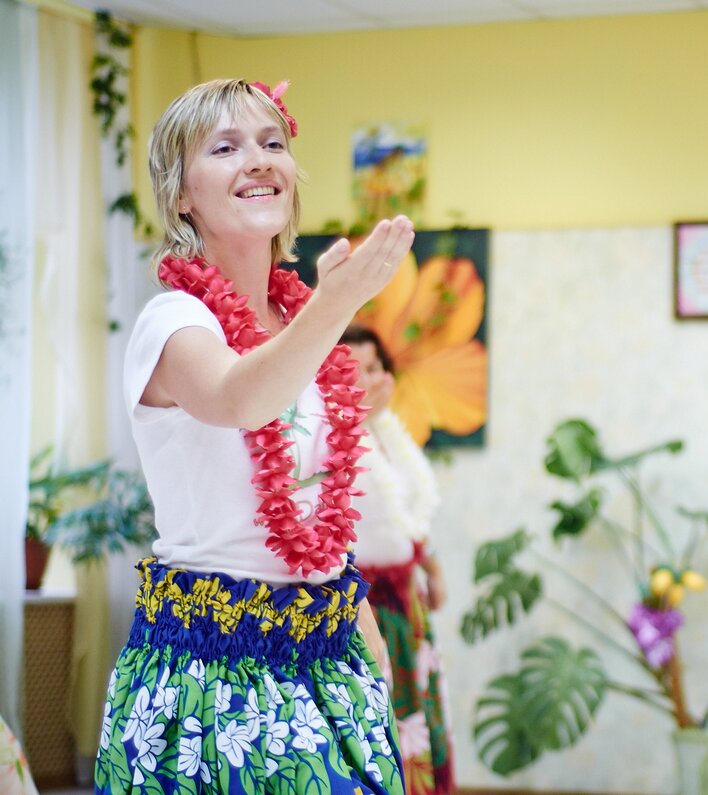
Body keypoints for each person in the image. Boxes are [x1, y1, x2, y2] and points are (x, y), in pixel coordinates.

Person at [95, 78, 414, 793]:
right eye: (227, 146)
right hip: (210, 674)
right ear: (181, 192)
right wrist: (337, 303)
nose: (260, 159)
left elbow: (319, 502)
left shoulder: (306, 327)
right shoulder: (175, 322)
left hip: (329, 665)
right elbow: (242, 398)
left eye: (273, 143)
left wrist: (363, 637)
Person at [340, 325, 455, 795]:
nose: (369, 380)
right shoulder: (337, 440)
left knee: (417, 717)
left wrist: (433, 569)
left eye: (374, 368)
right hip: (365, 604)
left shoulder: (386, 433)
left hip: (408, 600)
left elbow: (405, 519)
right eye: (355, 371)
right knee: (379, 722)